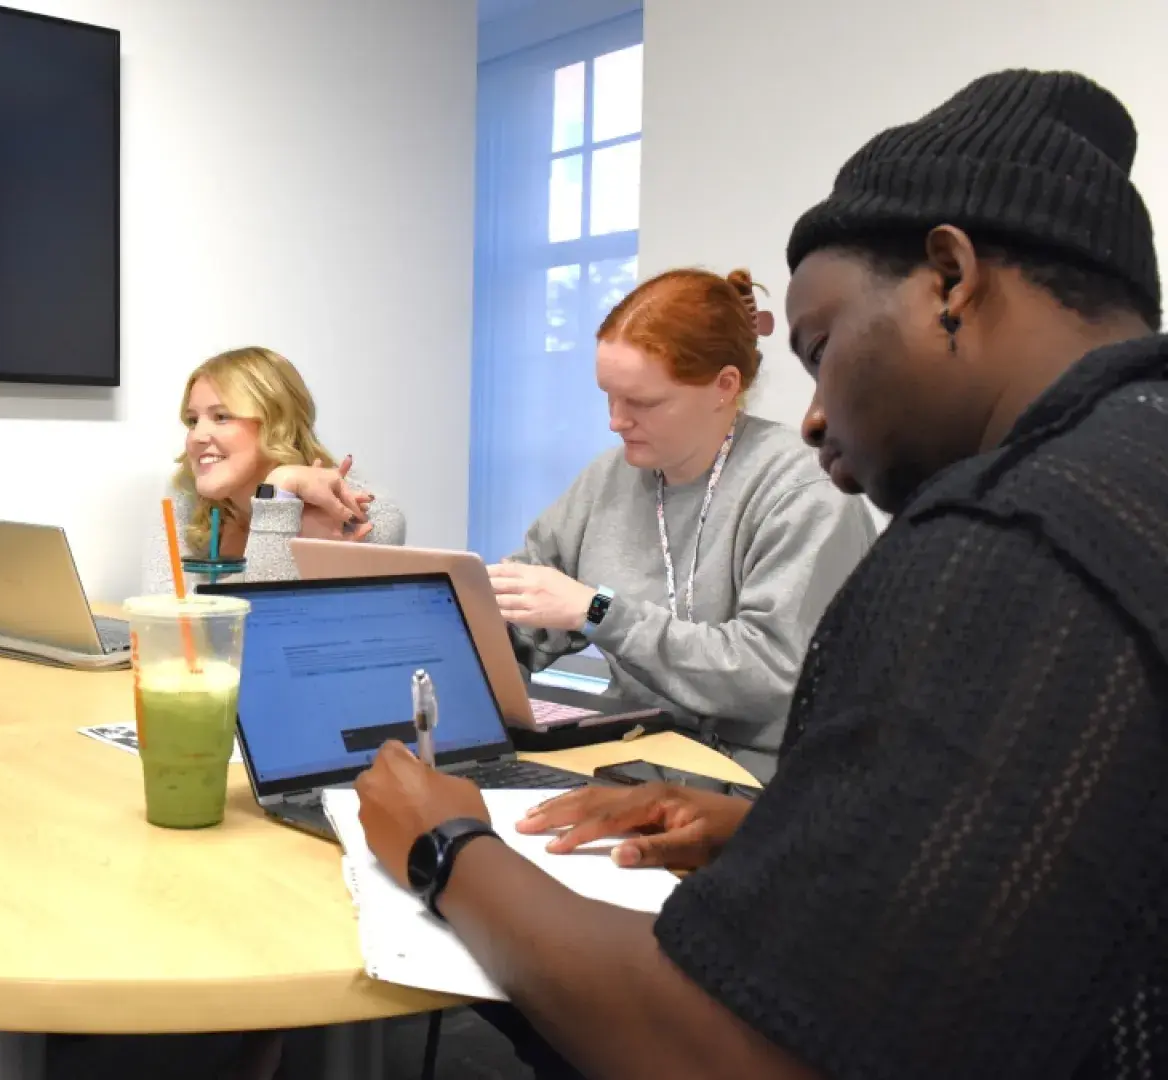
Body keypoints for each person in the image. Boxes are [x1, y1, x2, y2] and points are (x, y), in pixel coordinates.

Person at [356, 68, 1166, 1079]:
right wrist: (759, 831)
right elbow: (1015, 868)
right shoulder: (1128, 484)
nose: (818, 416)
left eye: (823, 352)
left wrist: (447, 849)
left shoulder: (1010, 541)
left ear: (952, 280)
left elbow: (740, 1052)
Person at [490, 268, 876, 778]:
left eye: (643, 402)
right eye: (608, 394)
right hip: (637, 760)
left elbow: (771, 672)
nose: (615, 420)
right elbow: (527, 610)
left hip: (764, 785)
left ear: (724, 386)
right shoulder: (608, 480)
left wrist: (598, 610)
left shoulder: (803, 491)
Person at [142, 346, 405, 593]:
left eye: (221, 417)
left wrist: (281, 486)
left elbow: (268, 624)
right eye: (192, 420)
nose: (196, 436)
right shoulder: (187, 491)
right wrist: (280, 517)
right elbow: (160, 610)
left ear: (277, 423)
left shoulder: (368, 513)